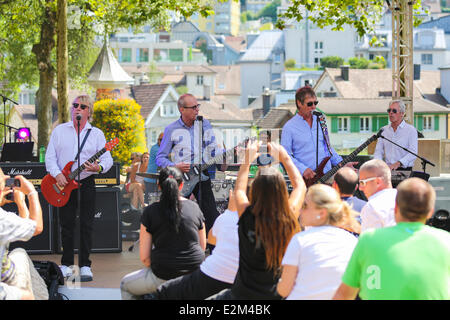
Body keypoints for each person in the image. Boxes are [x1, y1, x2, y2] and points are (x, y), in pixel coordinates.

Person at [210, 141, 306, 300]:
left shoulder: (248, 215)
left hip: (242, 295)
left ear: (254, 190)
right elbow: (300, 186)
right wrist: (285, 158)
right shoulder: (288, 217)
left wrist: (247, 159)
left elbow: (239, 190)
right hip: (276, 296)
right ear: (282, 190)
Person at [334, 178, 450, 300]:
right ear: (430, 212)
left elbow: (343, 295)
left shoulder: (369, 239)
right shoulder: (446, 241)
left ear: (395, 209)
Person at [45, 94, 113, 282]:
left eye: (82, 106)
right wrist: (57, 174)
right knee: (66, 225)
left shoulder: (97, 134)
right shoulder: (60, 131)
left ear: (89, 111)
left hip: (86, 183)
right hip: (63, 184)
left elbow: (107, 159)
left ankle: (84, 265)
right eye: (75, 105)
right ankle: (66, 264)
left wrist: (98, 167)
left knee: (86, 225)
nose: (77, 108)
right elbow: (50, 157)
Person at [120, 167, 206, 300]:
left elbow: (145, 258)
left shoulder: (150, 211)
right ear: (181, 185)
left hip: (163, 274)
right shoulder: (195, 208)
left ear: (159, 186)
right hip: (193, 276)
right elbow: (202, 247)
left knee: (125, 285)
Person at [147, 189, 239, 300]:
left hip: (211, 277)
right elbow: (204, 245)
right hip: (239, 282)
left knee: (156, 292)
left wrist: (230, 210)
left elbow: (211, 239)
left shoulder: (227, 218)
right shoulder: (195, 209)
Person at [156, 93, 225, 233]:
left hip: (201, 173)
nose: (197, 110)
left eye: (197, 106)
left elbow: (213, 149)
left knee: (211, 214)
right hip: (180, 175)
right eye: (193, 107)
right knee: (174, 213)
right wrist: (175, 167)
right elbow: (160, 158)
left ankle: (214, 250)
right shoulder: (171, 129)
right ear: (182, 109)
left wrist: (226, 154)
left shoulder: (204, 124)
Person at [277, 184, 360, 300]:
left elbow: (284, 290)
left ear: (322, 213)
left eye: (305, 206)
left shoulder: (300, 240)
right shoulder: (353, 242)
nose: (300, 209)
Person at [281, 86, 357, 183]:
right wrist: (302, 169)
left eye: (315, 103)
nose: (313, 107)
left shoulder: (321, 120)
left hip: (328, 176)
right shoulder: (289, 127)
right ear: (299, 103)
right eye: (309, 104)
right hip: (306, 180)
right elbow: (284, 155)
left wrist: (343, 164)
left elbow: (327, 148)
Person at [0, 169, 48, 300]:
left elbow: (25, 224)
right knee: (20, 254)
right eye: (3, 179)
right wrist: (32, 193)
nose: (7, 177)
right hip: (3, 282)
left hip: (4, 274)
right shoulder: (3, 218)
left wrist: (20, 204)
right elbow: (36, 228)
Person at [373, 100, 418, 171]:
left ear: (402, 113)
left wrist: (398, 163)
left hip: (404, 170)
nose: (391, 113)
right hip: (387, 170)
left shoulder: (411, 130)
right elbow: (378, 152)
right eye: (389, 110)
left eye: (394, 111)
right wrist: (379, 165)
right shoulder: (383, 130)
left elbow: (413, 153)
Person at [358, 159, 397, 232]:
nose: (360, 188)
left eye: (362, 183)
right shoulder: (404, 199)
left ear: (378, 182)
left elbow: (370, 241)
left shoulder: (372, 207)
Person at [144, 133, 163, 203]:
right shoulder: (155, 148)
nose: (162, 141)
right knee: (149, 201)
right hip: (151, 179)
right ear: (158, 140)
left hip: (160, 179)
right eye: (160, 140)